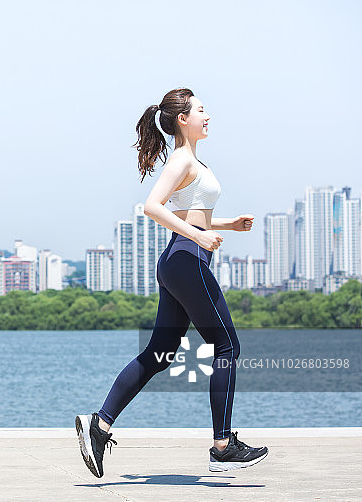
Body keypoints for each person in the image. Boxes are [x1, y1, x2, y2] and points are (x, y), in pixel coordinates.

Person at [75, 88, 268, 477]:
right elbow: (152, 206)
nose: (207, 115)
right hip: (186, 260)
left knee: (159, 354)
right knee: (227, 344)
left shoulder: (192, 160)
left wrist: (227, 224)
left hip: (179, 260)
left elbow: (192, 213)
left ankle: (99, 425)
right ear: (184, 119)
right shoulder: (181, 159)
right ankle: (223, 445)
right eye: (201, 110)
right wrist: (198, 237)